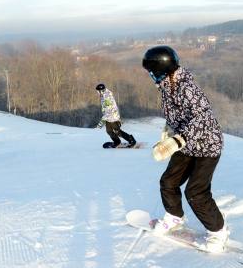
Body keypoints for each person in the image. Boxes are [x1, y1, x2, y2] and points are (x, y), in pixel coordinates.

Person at [142, 45, 228, 253]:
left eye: (151, 72)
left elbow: (204, 119)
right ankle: (174, 217)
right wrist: (166, 137)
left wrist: (177, 142)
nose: (150, 76)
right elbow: (175, 117)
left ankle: (218, 233)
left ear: (161, 70)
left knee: (196, 192)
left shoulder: (186, 88)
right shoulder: (167, 86)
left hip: (207, 146)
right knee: (168, 181)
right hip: (186, 144)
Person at [95, 83, 136, 148]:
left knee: (117, 131)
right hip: (108, 117)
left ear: (101, 90)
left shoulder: (107, 97)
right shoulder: (103, 96)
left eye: (97, 91)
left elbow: (109, 109)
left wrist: (101, 122)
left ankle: (131, 140)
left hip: (113, 117)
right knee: (109, 131)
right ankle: (117, 141)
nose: (97, 93)